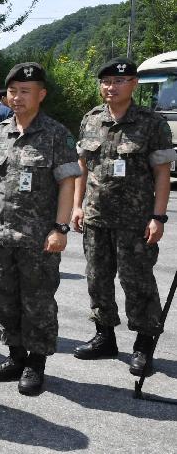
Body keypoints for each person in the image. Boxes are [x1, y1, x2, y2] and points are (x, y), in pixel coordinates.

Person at [0, 62, 80, 396]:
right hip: (2, 234)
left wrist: (60, 228)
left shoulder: (56, 134)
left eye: (25, 91)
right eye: (12, 91)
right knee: (4, 298)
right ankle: (15, 356)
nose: (17, 98)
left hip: (38, 238)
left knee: (38, 302)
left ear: (41, 95)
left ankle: (36, 363)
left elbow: (67, 183)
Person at [71, 57, 175, 376]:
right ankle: (105, 337)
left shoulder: (151, 123)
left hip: (136, 221)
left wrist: (158, 217)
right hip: (97, 218)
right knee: (97, 278)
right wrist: (77, 205)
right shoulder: (91, 120)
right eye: (106, 82)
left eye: (118, 81)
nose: (111, 87)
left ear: (133, 84)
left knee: (138, 281)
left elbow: (162, 173)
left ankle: (144, 344)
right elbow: (82, 168)